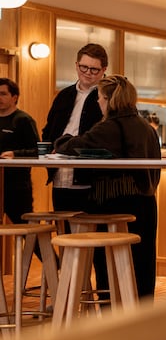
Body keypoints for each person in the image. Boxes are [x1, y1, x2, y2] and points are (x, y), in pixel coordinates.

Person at [54, 75, 161, 297]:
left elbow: (74, 146)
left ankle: (108, 305)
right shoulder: (146, 127)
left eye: (100, 97)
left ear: (109, 100)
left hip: (113, 203)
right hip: (146, 202)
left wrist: (62, 139)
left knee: (106, 259)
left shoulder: (109, 127)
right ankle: (140, 310)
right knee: (143, 261)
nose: (97, 102)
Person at [42, 43, 108, 218]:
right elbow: (49, 130)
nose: (87, 72)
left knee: (89, 236)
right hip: (59, 175)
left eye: (94, 69)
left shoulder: (108, 97)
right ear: (76, 65)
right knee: (63, 232)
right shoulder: (64, 95)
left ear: (103, 70)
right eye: (83, 67)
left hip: (92, 180)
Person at [0, 78, 40, 224]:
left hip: (17, 187)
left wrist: (15, 154)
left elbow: (38, 151)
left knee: (28, 233)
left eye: (3, 94)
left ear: (14, 97)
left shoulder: (23, 120)